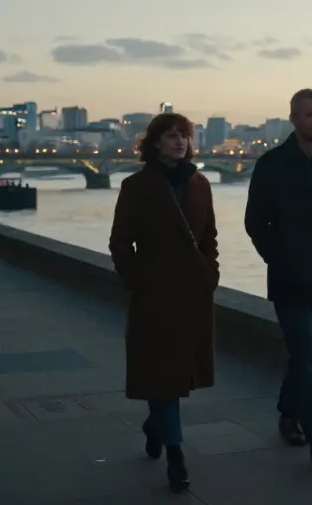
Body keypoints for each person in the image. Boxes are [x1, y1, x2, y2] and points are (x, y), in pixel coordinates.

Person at [244, 88, 312, 468]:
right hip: (289, 280)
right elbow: (255, 223)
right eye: (310, 115)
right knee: (305, 355)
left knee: (303, 356)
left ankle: (287, 413)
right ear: (293, 118)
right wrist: (279, 259)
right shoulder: (272, 165)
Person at [108, 113, 219, 493]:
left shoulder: (200, 184)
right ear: (154, 143)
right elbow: (120, 242)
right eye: (171, 136)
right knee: (165, 378)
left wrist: (210, 276)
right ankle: (176, 455)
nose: (179, 143)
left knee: (170, 376)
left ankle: (156, 426)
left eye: (184, 137)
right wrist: (137, 281)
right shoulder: (136, 186)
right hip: (154, 294)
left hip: (190, 294)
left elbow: (210, 239)